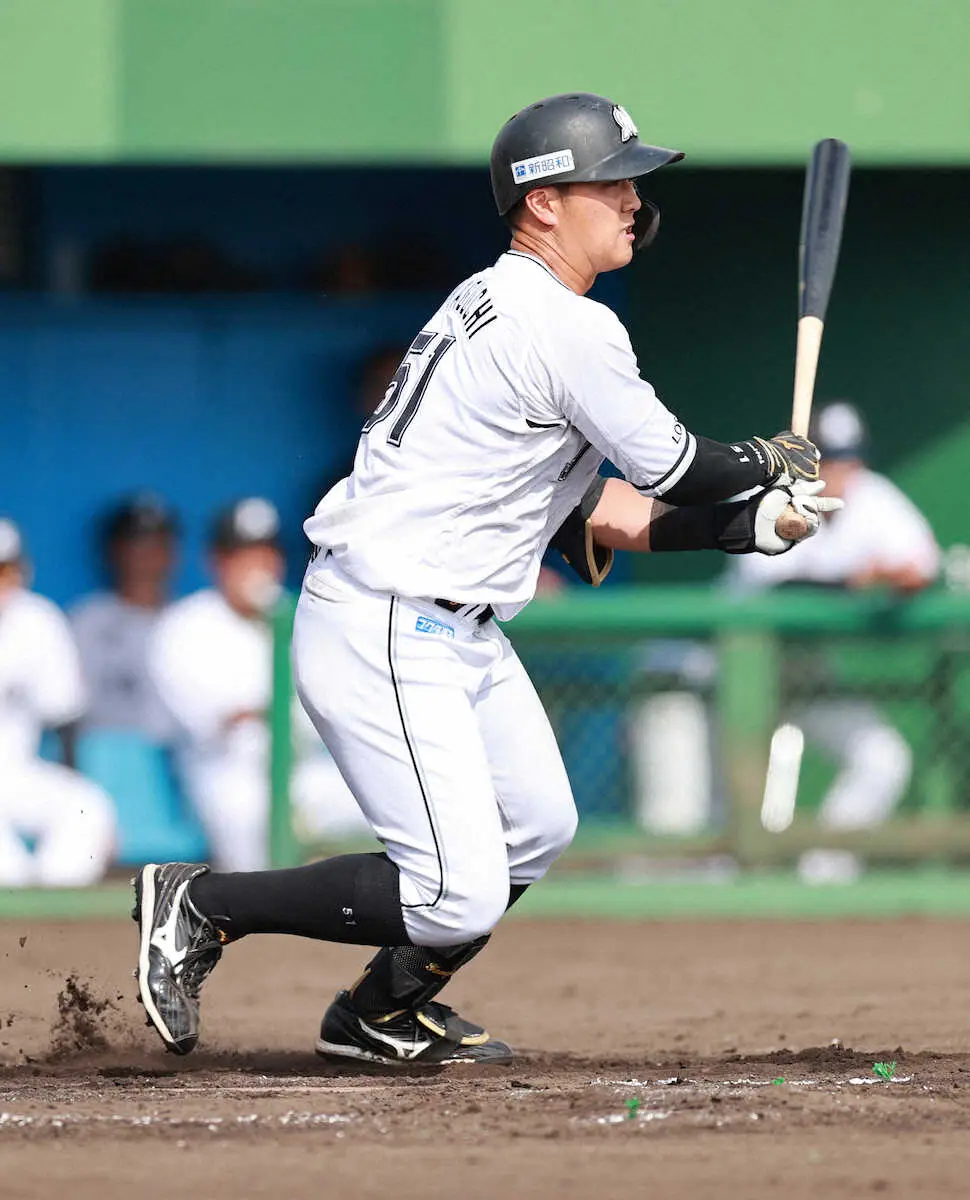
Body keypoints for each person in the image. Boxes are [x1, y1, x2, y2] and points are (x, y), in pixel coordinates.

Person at [131, 92, 838, 1063]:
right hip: (387, 616)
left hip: (452, 625)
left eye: (635, 182)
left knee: (536, 826)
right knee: (448, 891)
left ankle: (379, 1010)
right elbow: (673, 466)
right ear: (542, 202)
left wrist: (750, 522)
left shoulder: (503, 301)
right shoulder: (560, 325)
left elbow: (615, 515)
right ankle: (203, 903)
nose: (634, 199)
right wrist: (770, 459)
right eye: (612, 180)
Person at [730, 400, 939, 881]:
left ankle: (823, 873)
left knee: (882, 759)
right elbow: (769, 592)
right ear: (808, 462)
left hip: (807, 674)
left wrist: (895, 574)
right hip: (737, 673)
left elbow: (920, 565)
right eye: (832, 460)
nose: (844, 471)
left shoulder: (872, 497)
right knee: (720, 803)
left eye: (852, 459)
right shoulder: (773, 498)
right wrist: (853, 582)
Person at [147, 497, 368, 872]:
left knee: (387, 804)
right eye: (243, 556)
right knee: (254, 853)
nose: (256, 568)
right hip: (227, 776)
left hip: (308, 771)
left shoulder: (302, 615)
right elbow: (214, 723)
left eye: (265, 554)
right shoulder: (183, 626)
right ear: (218, 562)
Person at [0, 518, 115, 886]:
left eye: (5, 570)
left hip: (17, 772)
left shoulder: (37, 620)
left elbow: (66, 716)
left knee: (86, 807)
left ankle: (54, 934)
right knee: (9, 873)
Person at [70, 494, 179, 741]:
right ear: (115, 550)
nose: (147, 554)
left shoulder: (193, 621)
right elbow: (67, 711)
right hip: (107, 755)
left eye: (158, 543)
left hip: (184, 758)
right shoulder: (87, 621)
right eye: (137, 542)